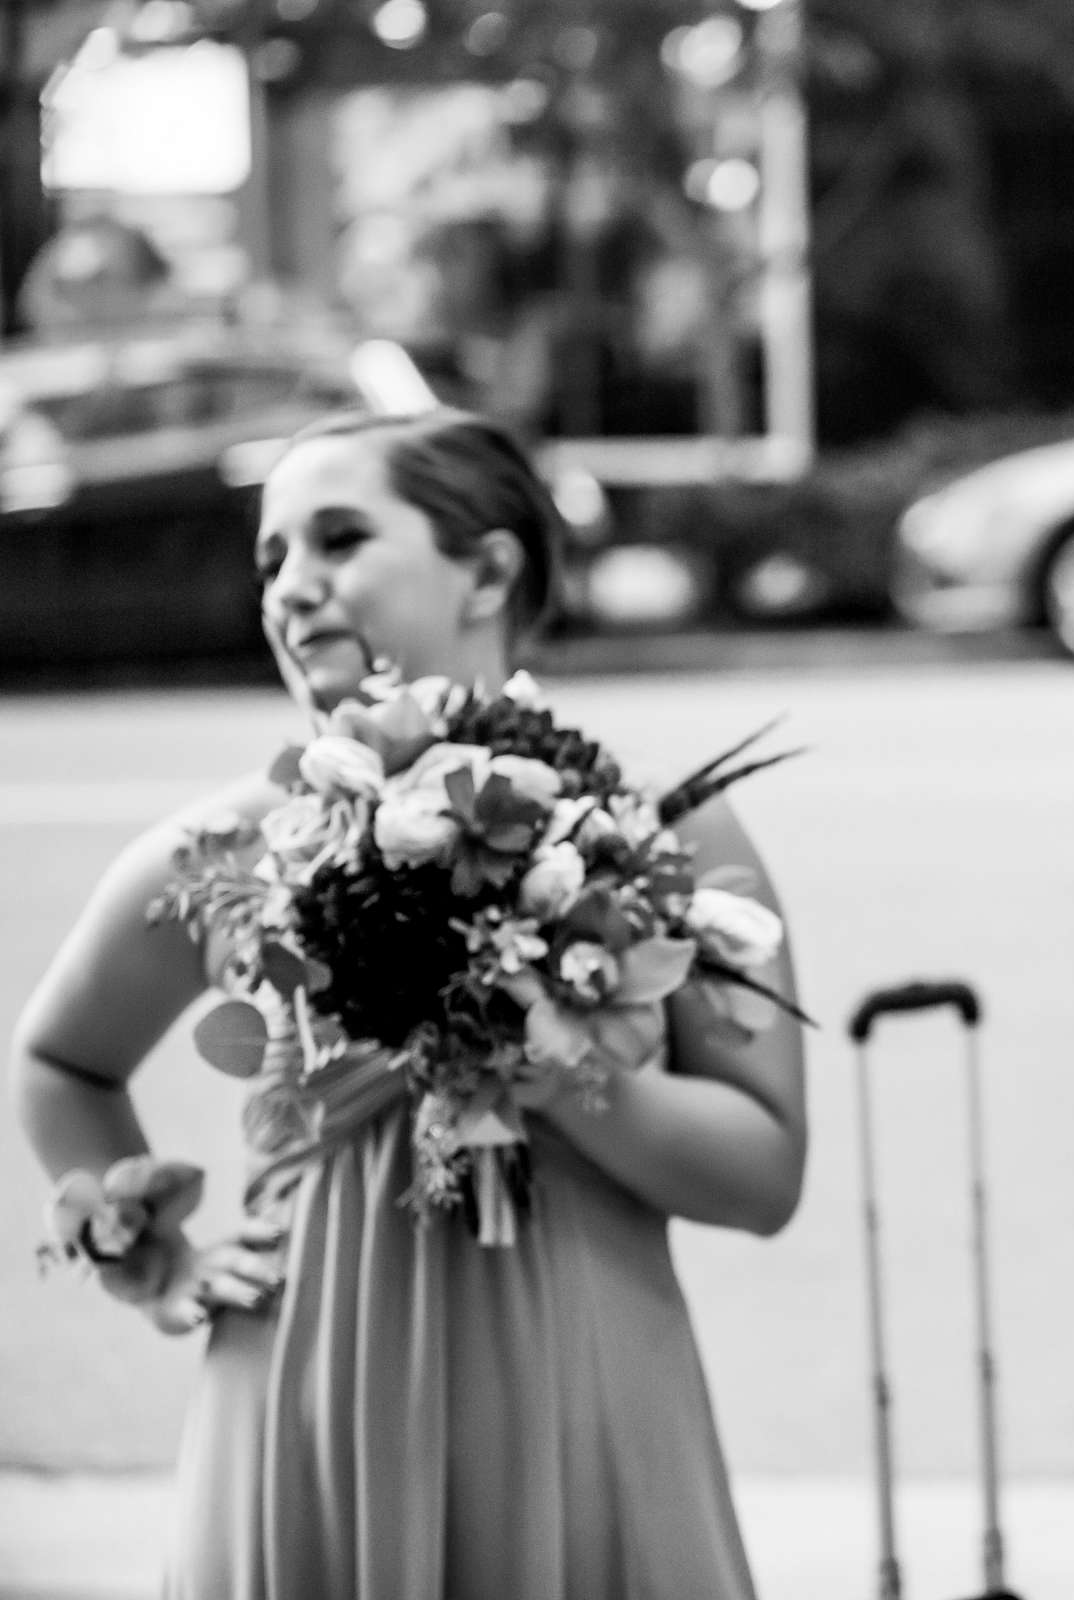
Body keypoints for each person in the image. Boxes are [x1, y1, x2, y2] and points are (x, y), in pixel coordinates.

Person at [11, 409, 808, 1600]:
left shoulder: (662, 826)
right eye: (272, 558)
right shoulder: (225, 845)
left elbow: (763, 1175)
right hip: (304, 1390)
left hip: (583, 1385)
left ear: (486, 567)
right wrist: (155, 1259)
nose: (293, 588)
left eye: (338, 540)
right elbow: (59, 1062)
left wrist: (549, 1062)